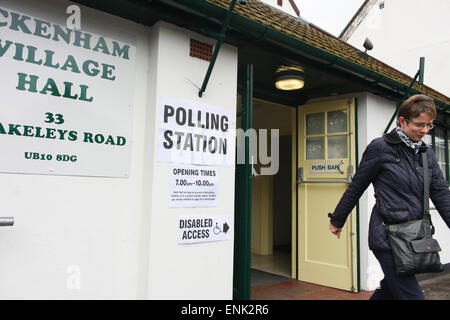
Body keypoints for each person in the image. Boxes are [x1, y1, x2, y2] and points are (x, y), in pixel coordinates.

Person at [328, 94, 450, 300]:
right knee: (412, 296)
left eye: (429, 125)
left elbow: (440, 192)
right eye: (419, 125)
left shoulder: (426, 153)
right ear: (402, 121)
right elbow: (358, 185)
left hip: (415, 237)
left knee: (390, 291)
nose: (425, 131)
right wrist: (338, 218)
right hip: (387, 235)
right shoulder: (381, 148)